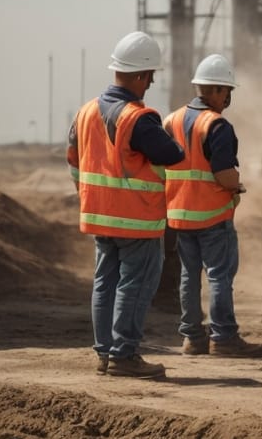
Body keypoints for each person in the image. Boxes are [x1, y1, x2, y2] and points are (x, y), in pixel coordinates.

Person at [68, 31, 186, 378]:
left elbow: (73, 159)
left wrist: (88, 195)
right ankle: (124, 355)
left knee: (104, 283)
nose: (151, 83)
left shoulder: (86, 111)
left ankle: (105, 353)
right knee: (135, 285)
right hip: (136, 219)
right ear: (140, 75)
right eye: (150, 76)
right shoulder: (138, 117)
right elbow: (171, 154)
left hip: (99, 216)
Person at [162, 54, 262, 357]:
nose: (228, 98)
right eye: (227, 92)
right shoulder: (216, 125)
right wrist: (237, 186)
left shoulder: (171, 120)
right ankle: (223, 338)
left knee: (188, 275)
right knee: (219, 276)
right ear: (218, 90)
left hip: (179, 214)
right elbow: (224, 173)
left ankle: (193, 338)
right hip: (211, 215)